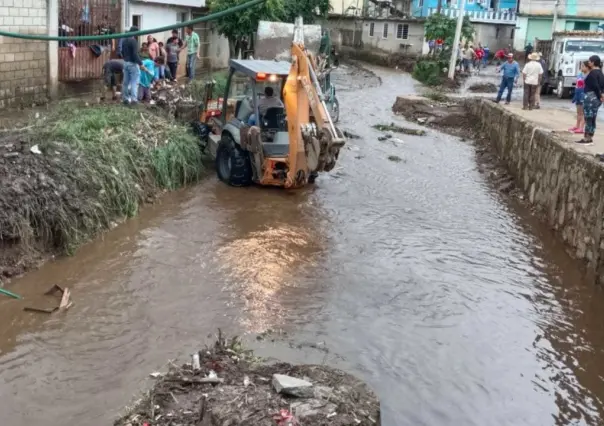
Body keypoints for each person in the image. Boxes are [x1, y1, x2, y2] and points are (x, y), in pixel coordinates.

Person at [577, 55, 604, 145]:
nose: (588, 63)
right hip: (596, 98)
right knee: (593, 117)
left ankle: (587, 137)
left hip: (591, 96)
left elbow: (595, 86)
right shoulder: (600, 72)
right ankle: (590, 135)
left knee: (588, 117)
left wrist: (599, 95)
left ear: (593, 62)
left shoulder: (593, 73)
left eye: (589, 61)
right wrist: (601, 95)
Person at [121, 26, 148, 105]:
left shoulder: (124, 40)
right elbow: (135, 54)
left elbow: (122, 52)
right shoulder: (133, 41)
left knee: (125, 82)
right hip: (132, 64)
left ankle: (125, 99)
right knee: (134, 82)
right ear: (135, 32)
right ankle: (134, 100)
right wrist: (141, 64)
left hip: (125, 63)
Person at [570, 61, 588, 134]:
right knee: (578, 112)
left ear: (587, 67)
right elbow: (577, 85)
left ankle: (581, 127)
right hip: (578, 93)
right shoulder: (579, 74)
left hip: (584, 95)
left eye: (583, 66)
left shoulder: (588, 75)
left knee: (583, 113)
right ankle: (577, 125)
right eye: (581, 66)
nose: (581, 67)